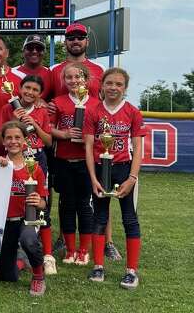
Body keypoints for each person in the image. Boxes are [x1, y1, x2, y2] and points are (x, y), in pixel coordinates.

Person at [84, 68, 145, 289]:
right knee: (99, 217)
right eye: (109, 83)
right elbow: (89, 146)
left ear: (125, 88)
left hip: (124, 170)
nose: (113, 88)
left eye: (119, 84)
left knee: (130, 218)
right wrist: (93, 177)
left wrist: (132, 178)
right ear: (102, 85)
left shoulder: (133, 112)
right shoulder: (93, 111)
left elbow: (138, 148)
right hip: (102, 170)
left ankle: (131, 271)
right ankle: (98, 266)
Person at [50, 63, 98, 266]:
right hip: (64, 159)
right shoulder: (58, 102)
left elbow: (102, 129)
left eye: (78, 77)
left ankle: (84, 250)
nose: (74, 81)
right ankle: (70, 250)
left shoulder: (96, 103)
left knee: (84, 206)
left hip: (86, 162)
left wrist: (89, 138)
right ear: (63, 81)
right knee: (67, 204)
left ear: (86, 79)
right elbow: (48, 127)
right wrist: (64, 134)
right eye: (69, 77)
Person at [0, 121, 48, 296]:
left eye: (17, 137)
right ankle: (21, 261)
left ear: (25, 140)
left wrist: (36, 200)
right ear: (3, 142)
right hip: (4, 222)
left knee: (28, 240)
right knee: (7, 276)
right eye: (8, 138)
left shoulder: (35, 168)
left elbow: (43, 203)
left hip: (26, 219)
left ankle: (38, 276)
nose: (13, 141)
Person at [0, 75, 52, 175]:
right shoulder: (7, 109)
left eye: (35, 90)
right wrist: (14, 121)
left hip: (37, 155)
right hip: (15, 154)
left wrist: (35, 125)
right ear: (20, 88)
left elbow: (48, 142)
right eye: (27, 87)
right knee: (14, 188)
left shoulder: (42, 111)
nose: (30, 92)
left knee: (37, 188)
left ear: (40, 94)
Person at [51, 23, 104, 98]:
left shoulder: (100, 69)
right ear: (65, 43)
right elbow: (42, 98)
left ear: (87, 42)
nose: (76, 41)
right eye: (71, 38)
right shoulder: (53, 70)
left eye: (80, 38)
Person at [12, 35, 52, 102]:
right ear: (23, 51)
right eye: (30, 48)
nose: (34, 51)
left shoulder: (50, 73)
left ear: (44, 52)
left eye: (39, 48)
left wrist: (46, 104)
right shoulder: (12, 72)